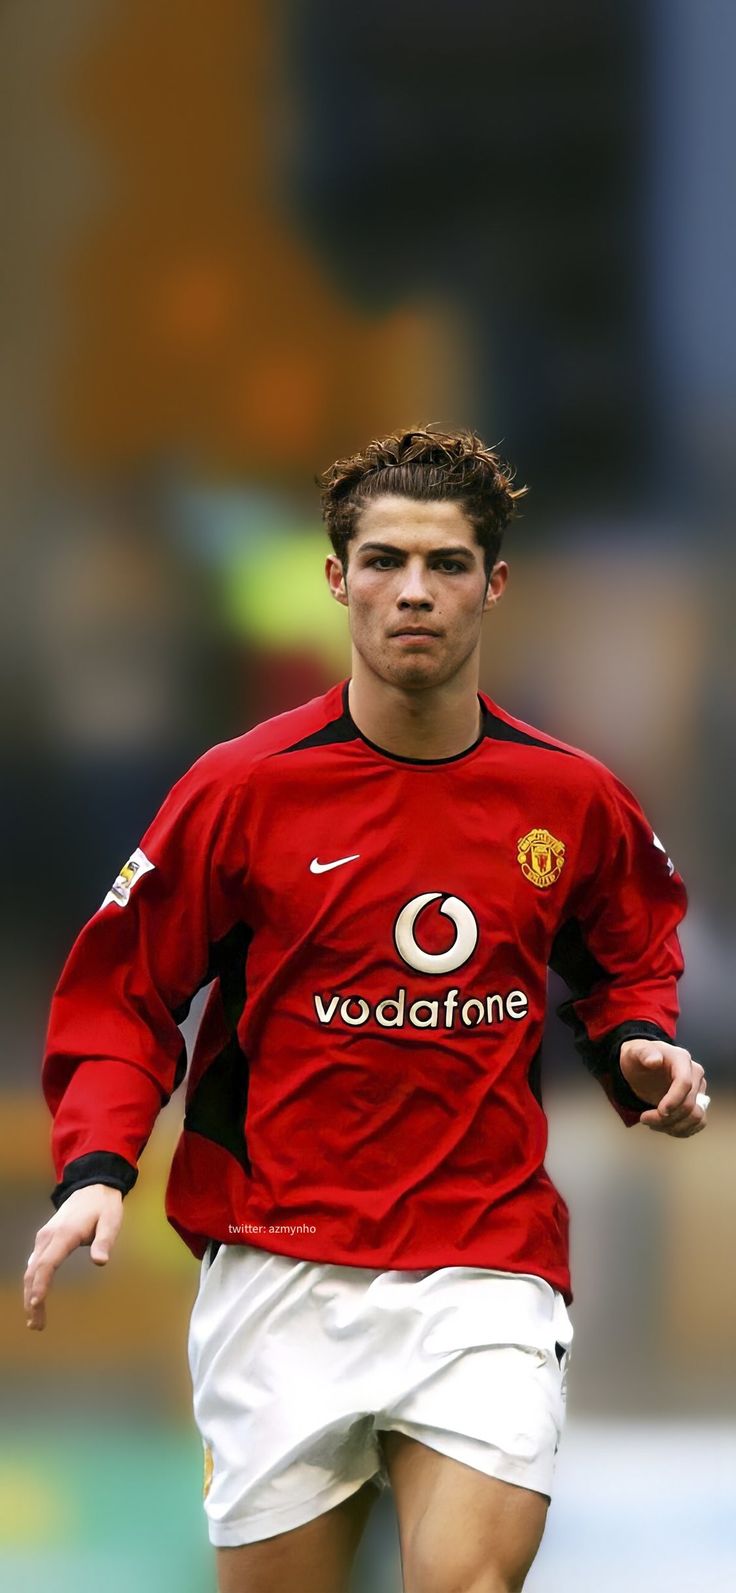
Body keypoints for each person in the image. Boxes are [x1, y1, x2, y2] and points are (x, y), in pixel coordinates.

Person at [24, 427, 708, 1593]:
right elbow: (125, 989)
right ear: (336, 579)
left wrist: (639, 1047)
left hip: (485, 1265)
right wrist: (96, 1169)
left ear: (494, 585)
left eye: (445, 566)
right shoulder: (240, 791)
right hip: (281, 1262)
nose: (414, 592)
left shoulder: (571, 798)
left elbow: (625, 956)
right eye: (384, 561)